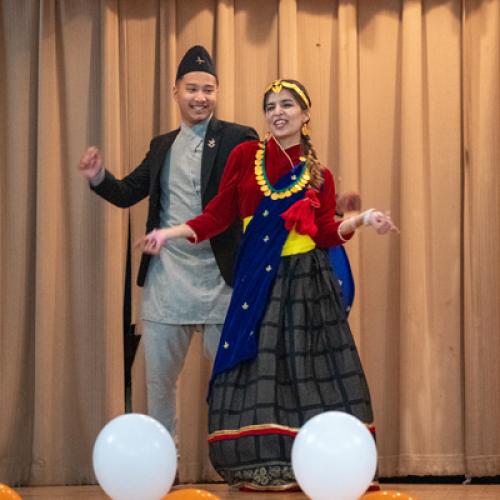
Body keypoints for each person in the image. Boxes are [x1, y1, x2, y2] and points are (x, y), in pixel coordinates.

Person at [137, 79, 397, 491]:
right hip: (260, 283)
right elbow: (218, 213)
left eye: (287, 105)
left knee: (309, 372)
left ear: (305, 114)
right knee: (259, 374)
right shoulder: (246, 157)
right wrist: (168, 234)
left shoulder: (319, 175)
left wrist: (364, 220)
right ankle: (264, 467)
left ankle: (321, 465)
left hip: (309, 285)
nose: (278, 112)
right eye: (271, 106)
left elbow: (327, 232)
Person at [78, 45, 258, 438]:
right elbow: (128, 191)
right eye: (192, 88)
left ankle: (237, 463)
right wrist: (98, 177)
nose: (200, 97)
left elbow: (256, 195)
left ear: (217, 92)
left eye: (208, 89)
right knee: (159, 385)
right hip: (167, 282)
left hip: (222, 280)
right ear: (175, 92)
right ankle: (165, 465)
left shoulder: (239, 138)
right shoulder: (162, 145)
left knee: (234, 381)